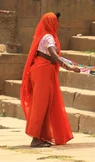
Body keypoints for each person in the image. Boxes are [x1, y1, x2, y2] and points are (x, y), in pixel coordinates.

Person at [20, 12, 80, 147]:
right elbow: (53, 54)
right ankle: (36, 138)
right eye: (56, 21)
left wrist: (70, 64)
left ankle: (41, 136)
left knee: (44, 104)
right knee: (41, 105)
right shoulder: (48, 38)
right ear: (52, 22)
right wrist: (68, 67)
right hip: (43, 72)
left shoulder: (42, 36)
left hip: (40, 69)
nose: (58, 24)